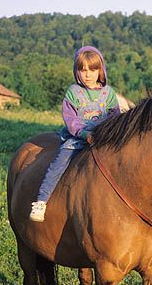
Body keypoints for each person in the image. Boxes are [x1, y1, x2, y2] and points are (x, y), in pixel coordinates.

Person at [29, 46, 120, 222]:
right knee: (58, 164)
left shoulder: (108, 93)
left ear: (100, 70)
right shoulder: (73, 92)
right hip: (77, 138)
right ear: (76, 71)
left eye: (93, 69)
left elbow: (115, 116)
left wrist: (109, 134)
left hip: (103, 139)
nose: (88, 74)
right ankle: (42, 201)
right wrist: (84, 133)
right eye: (83, 70)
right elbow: (71, 119)